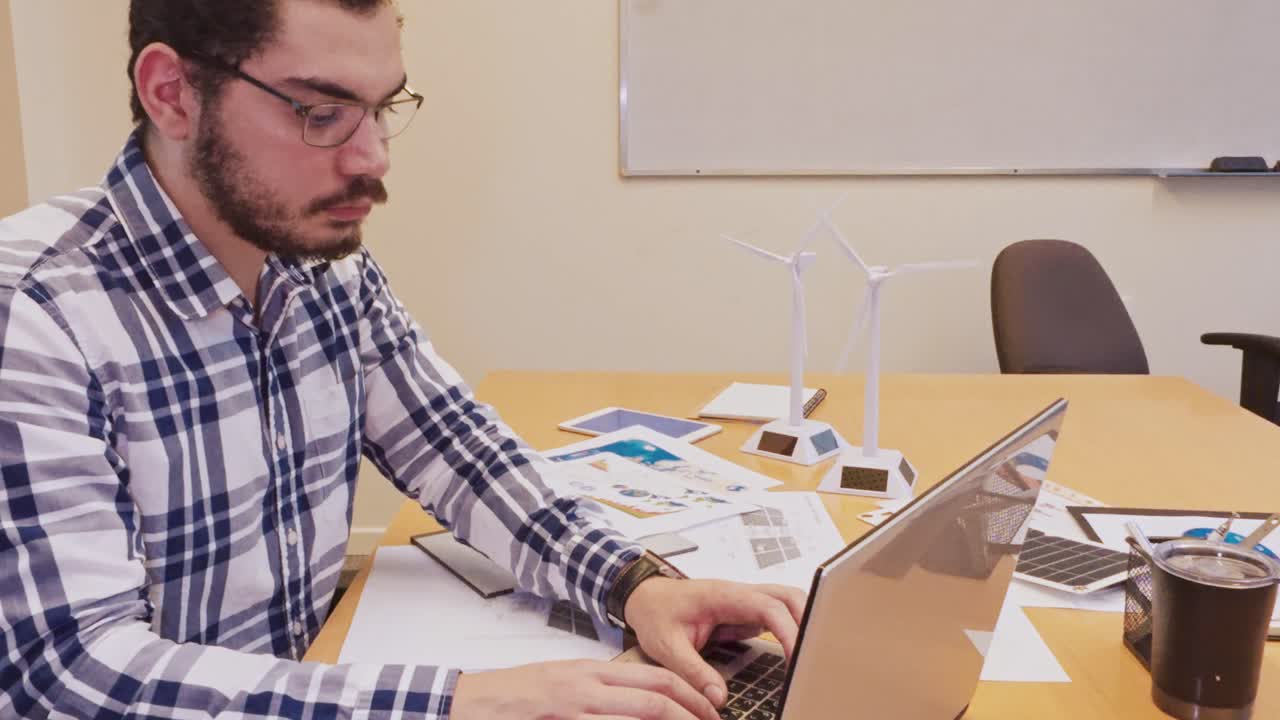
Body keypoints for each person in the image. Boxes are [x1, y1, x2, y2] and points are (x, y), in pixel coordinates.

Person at [0, 1, 805, 718]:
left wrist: (638, 586)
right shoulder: (34, 314)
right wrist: (460, 702)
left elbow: (456, 447)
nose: (373, 158)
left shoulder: (323, 266)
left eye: (383, 109)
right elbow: (74, 671)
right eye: (321, 112)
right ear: (171, 93)